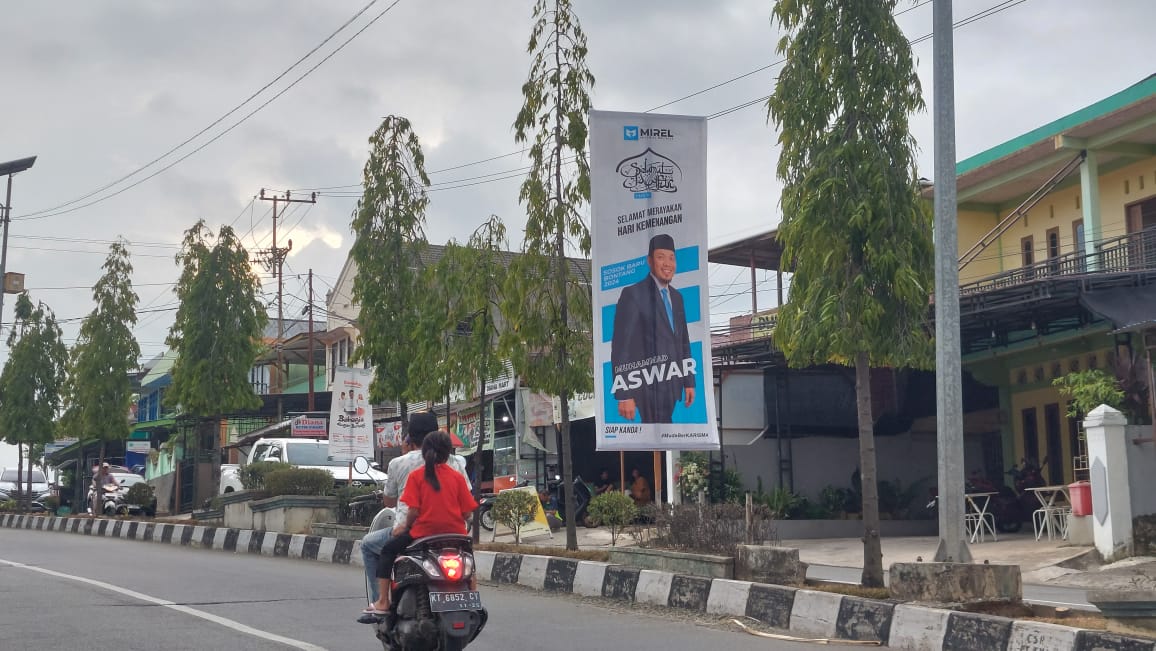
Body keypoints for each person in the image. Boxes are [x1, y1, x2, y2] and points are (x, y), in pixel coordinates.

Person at [357, 412, 470, 621]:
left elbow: (405, 508)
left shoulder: (404, 467)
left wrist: (404, 527)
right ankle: (472, 597)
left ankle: (381, 602)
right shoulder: (457, 466)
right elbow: (468, 508)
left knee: (369, 545)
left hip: (418, 531)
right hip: (455, 533)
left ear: (411, 438)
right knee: (470, 559)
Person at [610, 233, 697, 424]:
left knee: (664, 438)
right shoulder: (633, 294)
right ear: (650, 261)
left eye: (671, 258)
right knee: (652, 440)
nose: (667, 263)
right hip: (646, 388)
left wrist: (688, 382)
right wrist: (624, 394)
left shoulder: (677, 298)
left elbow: (683, 341)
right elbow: (621, 347)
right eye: (660, 257)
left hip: (672, 385)